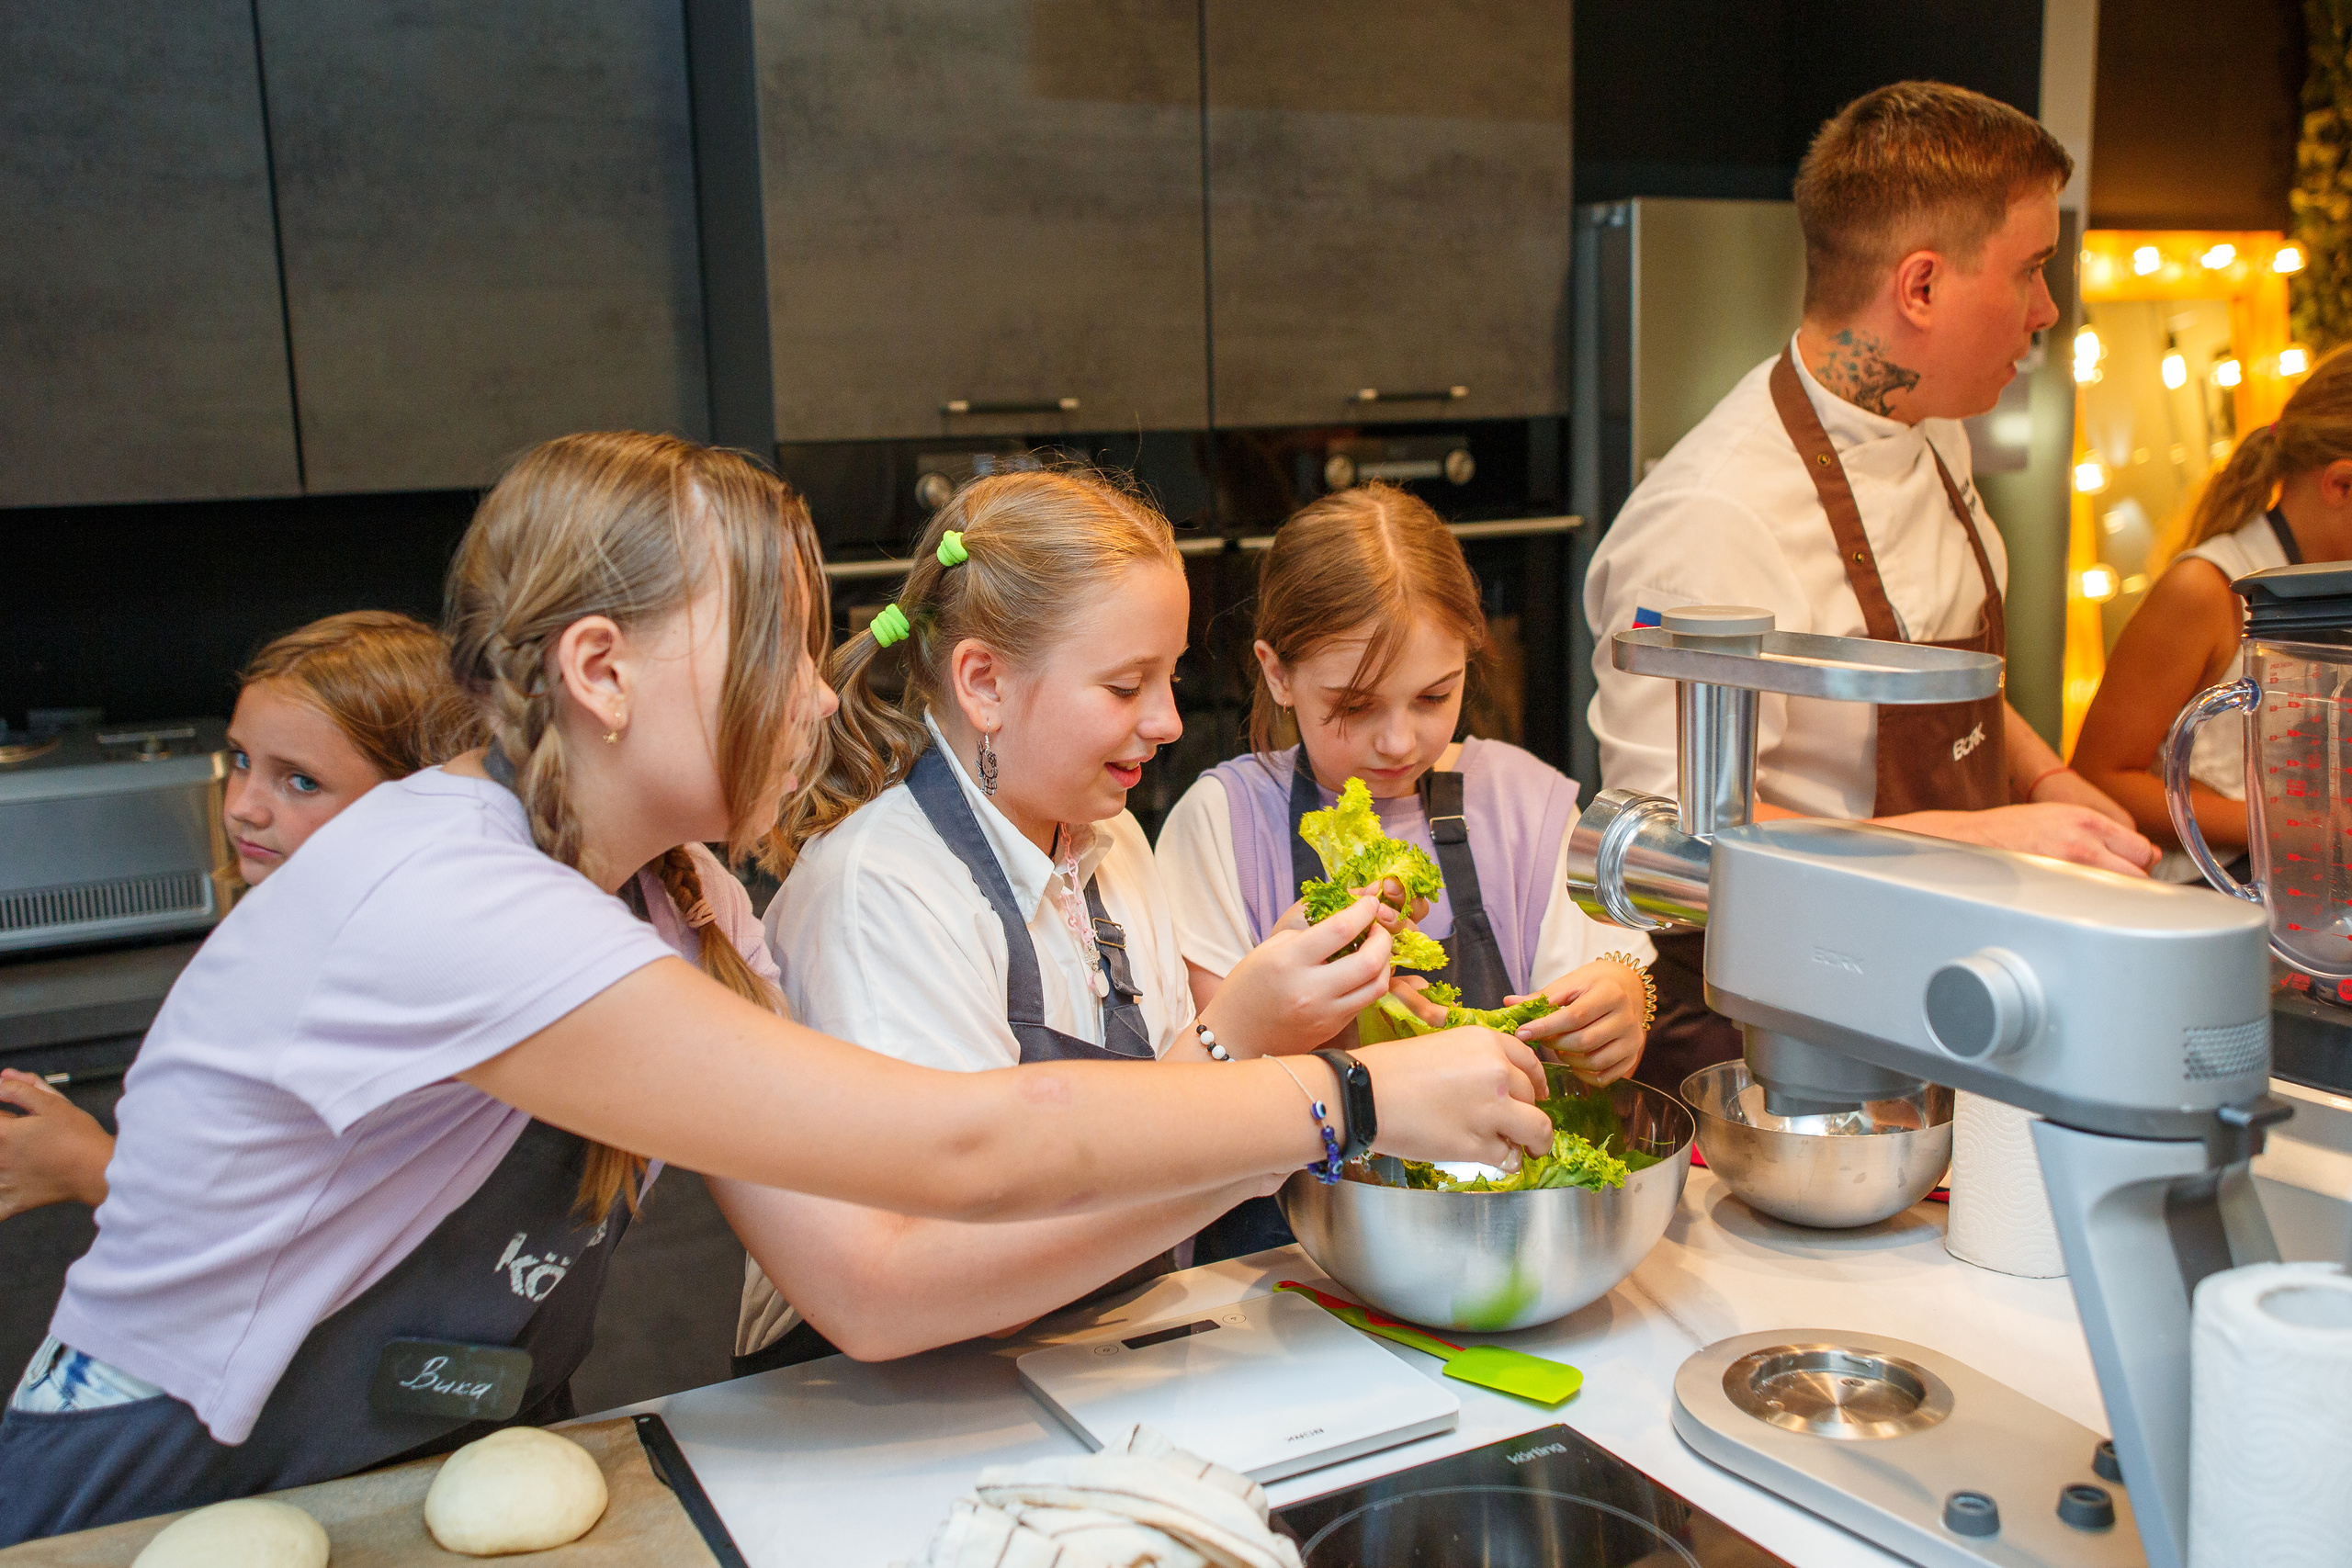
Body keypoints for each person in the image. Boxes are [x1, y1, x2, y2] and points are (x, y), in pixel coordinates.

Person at [0, 432, 1553, 1545]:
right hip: (165, 1490)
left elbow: (871, 1278)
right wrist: (1343, 1093)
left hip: (402, 1478)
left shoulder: (682, 902)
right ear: (601, 673)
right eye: (782, 649)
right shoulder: (450, 893)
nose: (820, 697)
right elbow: (965, 1146)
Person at [734, 468, 1481, 1371]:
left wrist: (1281, 1019)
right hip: (887, 1410)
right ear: (984, 684)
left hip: (1084, 1362)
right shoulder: (880, 893)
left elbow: (1155, 1146)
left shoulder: (1113, 839)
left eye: (1168, 678)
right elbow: (962, 1266)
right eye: (1126, 687)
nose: (1167, 721)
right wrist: (1237, 1036)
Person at [1582, 81, 2157, 1090]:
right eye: (2029, 271)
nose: (2046, 311)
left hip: (1945, 986)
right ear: (1921, 287)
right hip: (1781, 1043)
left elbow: (1943, 685)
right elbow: (1671, 854)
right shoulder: (1710, 521)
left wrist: (2049, 785)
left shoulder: (1931, 432)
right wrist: (1977, 842)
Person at [1156, 483, 1657, 1262]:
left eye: (1434, 696)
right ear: (1277, 673)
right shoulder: (1220, 823)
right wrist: (1356, 1022)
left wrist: (1624, 998)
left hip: (1498, 1240)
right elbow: (1211, 1092)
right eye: (1353, 705)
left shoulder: (1524, 800)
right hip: (1289, 1260)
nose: (1397, 740)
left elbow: (1605, 970)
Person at [0, 611, 480, 1224]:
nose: (244, 807)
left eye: (301, 781)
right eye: (243, 759)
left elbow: (307, 1220)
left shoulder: (359, 983)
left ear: (418, 798)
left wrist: (87, 1165)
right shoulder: (307, 934)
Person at [2073, 344, 2352, 880]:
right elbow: (2099, 777)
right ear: (2340, 484)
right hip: (2210, 902)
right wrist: (2296, 825)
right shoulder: (2204, 591)